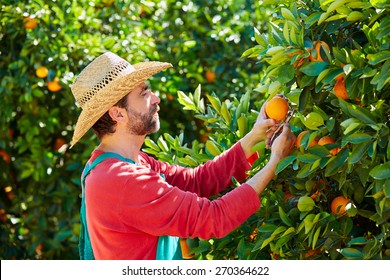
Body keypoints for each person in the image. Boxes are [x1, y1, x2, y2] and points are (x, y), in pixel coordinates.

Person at [70, 52, 296, 260]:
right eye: (144, 93)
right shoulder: (122, 179)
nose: (156, 98)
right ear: (118, 113)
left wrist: (254, 137)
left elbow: (195, 181)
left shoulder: (124, 163)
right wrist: (275, 161)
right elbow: (214, 218)